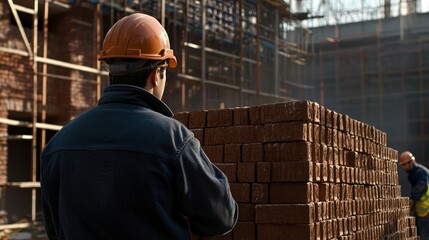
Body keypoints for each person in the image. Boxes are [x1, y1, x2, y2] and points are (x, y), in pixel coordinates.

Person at [40, 13, 238, 240]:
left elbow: (53, 229)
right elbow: (220, 218)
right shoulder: (172, 139)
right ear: (156, 74)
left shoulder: (58, 144)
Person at [399, 150, 429, 240]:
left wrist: (412, 200)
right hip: (421, 212)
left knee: (424, 237)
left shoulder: (421, 172)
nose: (403, 168)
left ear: (411, 162)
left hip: (426, 211)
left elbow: (422, 187)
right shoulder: (413, 174)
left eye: (404, 165)